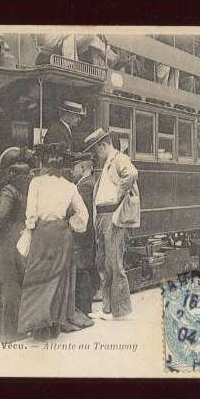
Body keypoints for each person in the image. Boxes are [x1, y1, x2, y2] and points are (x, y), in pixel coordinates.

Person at [17, 146, 89, 340]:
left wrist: (30, 230)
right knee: (59, 279)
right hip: (62, 234)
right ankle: (54, 325)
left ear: (44, 163)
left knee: (37, 278)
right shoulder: (70, 186)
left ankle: (38, 326)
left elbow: (31, 214)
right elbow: (83, 215)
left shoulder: (36, 183)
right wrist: (70, 226)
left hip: (43, 233)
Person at [81, 128, 140, 321]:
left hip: (112, 217)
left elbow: (131, 174)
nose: (96, 155)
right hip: (103, 217)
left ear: (103, 145)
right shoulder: (107, 162)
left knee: (114, 263)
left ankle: (120, 310)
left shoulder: (119, 159)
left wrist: (118, 195)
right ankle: (107, 309)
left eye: (96, 150)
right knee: (103, 263)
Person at [0, 148, 33, 343]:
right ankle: (15, 329)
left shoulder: (8, 189)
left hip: (7, 238)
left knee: (4, 283)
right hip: (23, 235)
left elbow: (2, 214)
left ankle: (2, 332)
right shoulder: (29, 186)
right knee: (17, 282)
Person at [70, 153, 99, 317]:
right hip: (89, 236)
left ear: (82, 167)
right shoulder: (90, 183)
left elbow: (83, 215)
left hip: (83, 235)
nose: (72, 171)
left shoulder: (84, 187)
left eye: (75, 167)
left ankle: (83, 307)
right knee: (86, 267)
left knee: (82, 268)